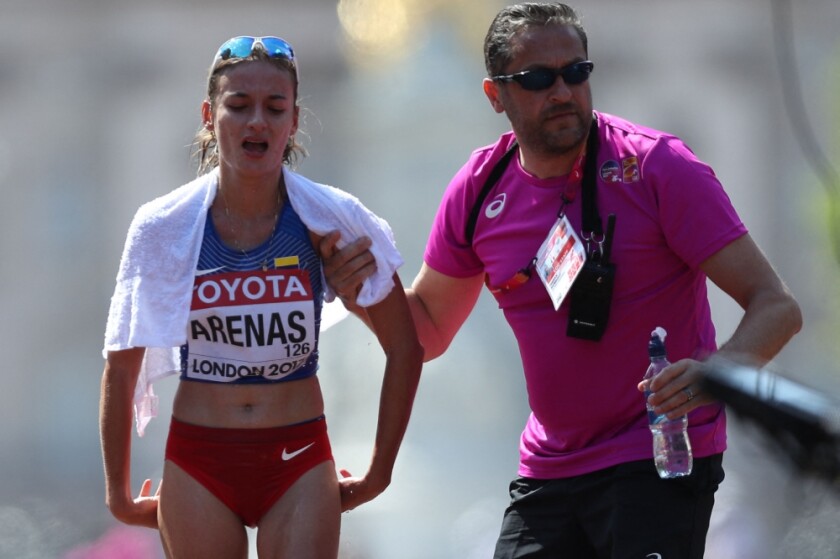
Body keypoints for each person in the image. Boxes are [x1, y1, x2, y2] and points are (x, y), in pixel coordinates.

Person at [319, 3, 803, 558]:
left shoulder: (657, 166)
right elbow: (425, 331)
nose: (562, 91)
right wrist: (359, 288)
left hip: (656, 457)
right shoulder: (478, 188)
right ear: (495, 95)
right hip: (550, 467)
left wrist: (716, 376)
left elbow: (777, 307)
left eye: (576, 72)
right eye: (537, 79)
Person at [99, 36, 423, 558]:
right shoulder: (163, 227)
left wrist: (379, 472)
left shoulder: (332, 222)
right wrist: (117, 494)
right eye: (239, 105)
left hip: (299, 457)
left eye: (275, 108)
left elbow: (405, 348)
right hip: (199, 460)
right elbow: (121, 361)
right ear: (209, 116)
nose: (257, 122)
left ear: (294, 121)